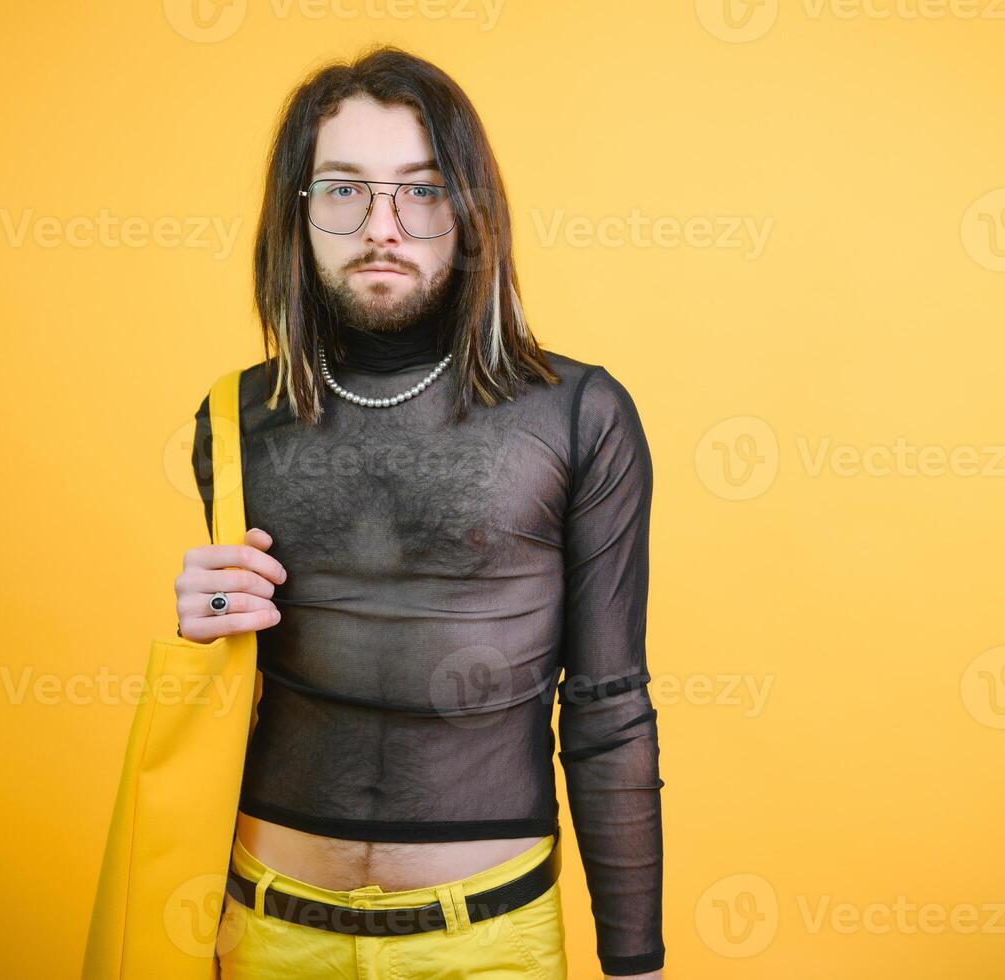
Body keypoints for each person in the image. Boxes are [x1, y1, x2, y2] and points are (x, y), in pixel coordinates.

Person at [177, 45, 664, 979]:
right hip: (263, 930)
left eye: (422, 190)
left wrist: (634, 964)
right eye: (343, 190)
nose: (383, 226)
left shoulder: (578, 412)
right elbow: (237, 691)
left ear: (469, 213)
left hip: (488, 943)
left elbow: (607, 708)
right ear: (299, 213)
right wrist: (204, 637)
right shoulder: (231, 418)